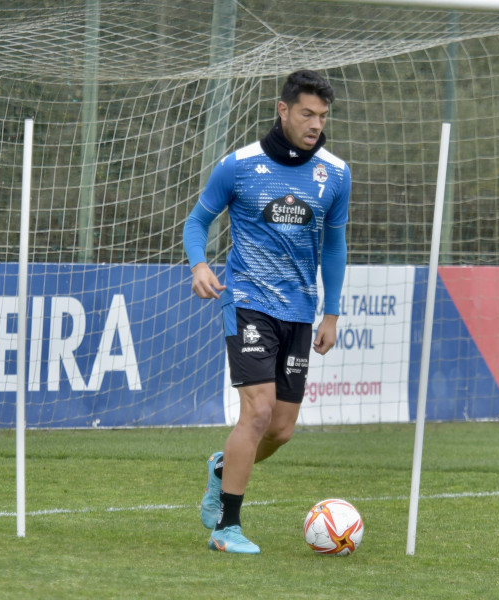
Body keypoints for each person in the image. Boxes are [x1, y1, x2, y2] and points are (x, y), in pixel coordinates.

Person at [183, 70, 350, 554]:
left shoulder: (336, 174)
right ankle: (226, 529)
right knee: (256, 412)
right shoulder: (238, 166)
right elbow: (197, 221)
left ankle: (222, 468)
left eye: (322, 115)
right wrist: (199, 265)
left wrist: (332, 313)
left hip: (299, 311)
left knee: (280, 430)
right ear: (283, 110)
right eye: (307, 113)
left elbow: (335, 245)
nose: (316, 123)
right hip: (248, 301)